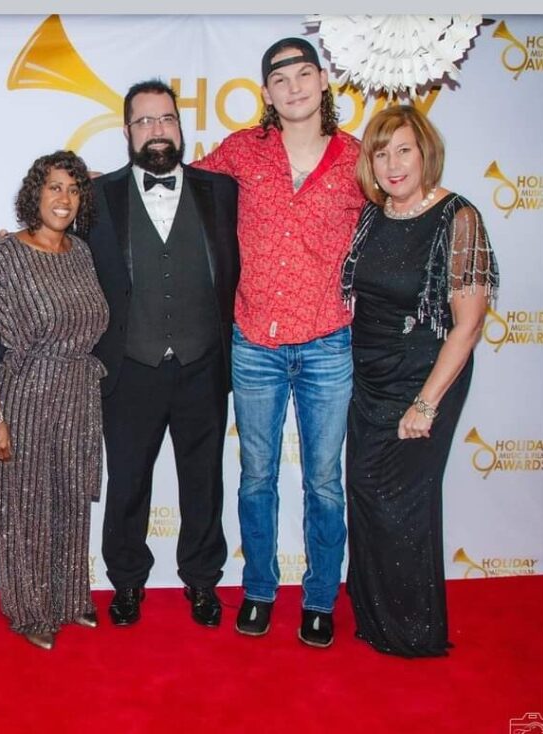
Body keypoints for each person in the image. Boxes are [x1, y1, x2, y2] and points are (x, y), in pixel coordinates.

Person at [192, 37, 364, 647]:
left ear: (322, 82)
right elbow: (170, 188)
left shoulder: (358, 159)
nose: (292, 86)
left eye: (303, 74)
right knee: (256, 476)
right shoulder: (242, 151)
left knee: (323, 482)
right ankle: (259, 592)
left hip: (328, 344)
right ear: (266, 93)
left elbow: (402, 216)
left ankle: (320, 598)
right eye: (279, 78)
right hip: (255, 343)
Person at [341, 106, 498, 657]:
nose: (392, 164)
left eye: (403, 149)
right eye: (381, 153)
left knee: (401, 500)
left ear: (424, 150)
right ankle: (375, 619)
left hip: (425, 377)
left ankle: (412, 631)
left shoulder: (458, 217)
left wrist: (426, 405)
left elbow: (470, 323)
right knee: (362, 491)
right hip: (370, 377)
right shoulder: (373, 214)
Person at [87, 80, 240, 629]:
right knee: (128, 482)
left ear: (181, 126)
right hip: (130, 367)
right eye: (145, 121)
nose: (157, 130)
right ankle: (126, 583)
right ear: (127, 132)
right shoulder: (96, 197)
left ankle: (202, 582)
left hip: (204, 364)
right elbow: (55, 248)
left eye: (166, 119)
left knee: (204, 481)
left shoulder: (220, 190)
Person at [0, 151, 108, 650]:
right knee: (25, 505)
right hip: (25, 393)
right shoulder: (8, 254)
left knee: (72, 498)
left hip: (78, 394)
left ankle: (71, 599)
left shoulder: (80, 252)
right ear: (35, 193)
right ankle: (29, 610)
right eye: (54, 187)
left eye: (73, 190)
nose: (64, 199)